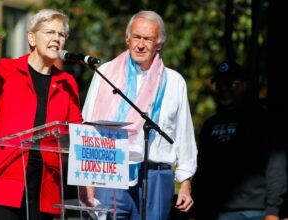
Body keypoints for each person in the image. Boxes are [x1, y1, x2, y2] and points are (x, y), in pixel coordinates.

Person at [0, 9, 83, 220]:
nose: (56, 39)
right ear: (32, 38)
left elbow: (77, 132)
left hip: (46, 183)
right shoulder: (8, 69)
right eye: (50, 32)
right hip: (6, 175)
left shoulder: (66, 83)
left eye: (61, 34)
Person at [82, 10, 197, 220]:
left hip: (156, 176)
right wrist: (86, 182)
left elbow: (184, 134)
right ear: (128, 39)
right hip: (110, 172)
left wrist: (185, 181)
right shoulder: (106, 73)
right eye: (136, 37)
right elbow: (88, 126)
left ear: (159, 44)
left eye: (148, 39)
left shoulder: (174, 81)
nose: (141, 45)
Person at [192, 61, 286, 220]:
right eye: (218, 84)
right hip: (215, 213)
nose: (223, 88)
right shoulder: (210, 125)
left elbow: (276, 166)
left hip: (255, 212)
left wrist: (272, 211)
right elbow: (202, 170)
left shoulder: (262, 120)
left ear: (244, 84)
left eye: (230, 83)